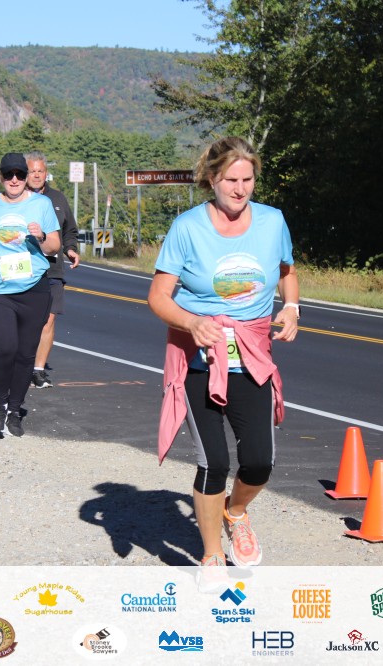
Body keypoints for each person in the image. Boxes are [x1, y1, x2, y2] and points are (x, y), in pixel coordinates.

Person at [148, 137, 300, 577]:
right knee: (213, 462)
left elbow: (287, 271)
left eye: (247, 179)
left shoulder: (272, 222)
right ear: (212, 179)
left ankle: (235, 512)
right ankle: (212, 553)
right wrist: (192, 323)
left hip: (251, 357)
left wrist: (291, 306)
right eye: (231, 180)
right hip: (199, 360)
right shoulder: (187, 228)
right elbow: (158, 297)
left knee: (259, 462)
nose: (240, 189)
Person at [0, 153, 61, 437]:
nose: (14, 180)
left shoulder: (41, 204)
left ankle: (14, 410)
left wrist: (42, 237)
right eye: (8, 175)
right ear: (1, 176)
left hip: (34, 288)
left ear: (26, 177)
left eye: (19, 175)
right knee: (5, 349)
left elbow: (54, 246)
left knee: (25, 354)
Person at [24, 152, 80, 389]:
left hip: (52, 268)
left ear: (46, 173)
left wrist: (71, 249)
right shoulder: (17, 198)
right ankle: (20, 365)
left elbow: (69, 229)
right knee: (23, 320)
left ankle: (38, 371)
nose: (36, 175)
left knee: (48, 319)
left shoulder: (57, 198)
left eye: (40, 171)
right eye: (32, 171)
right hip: (23, 268)